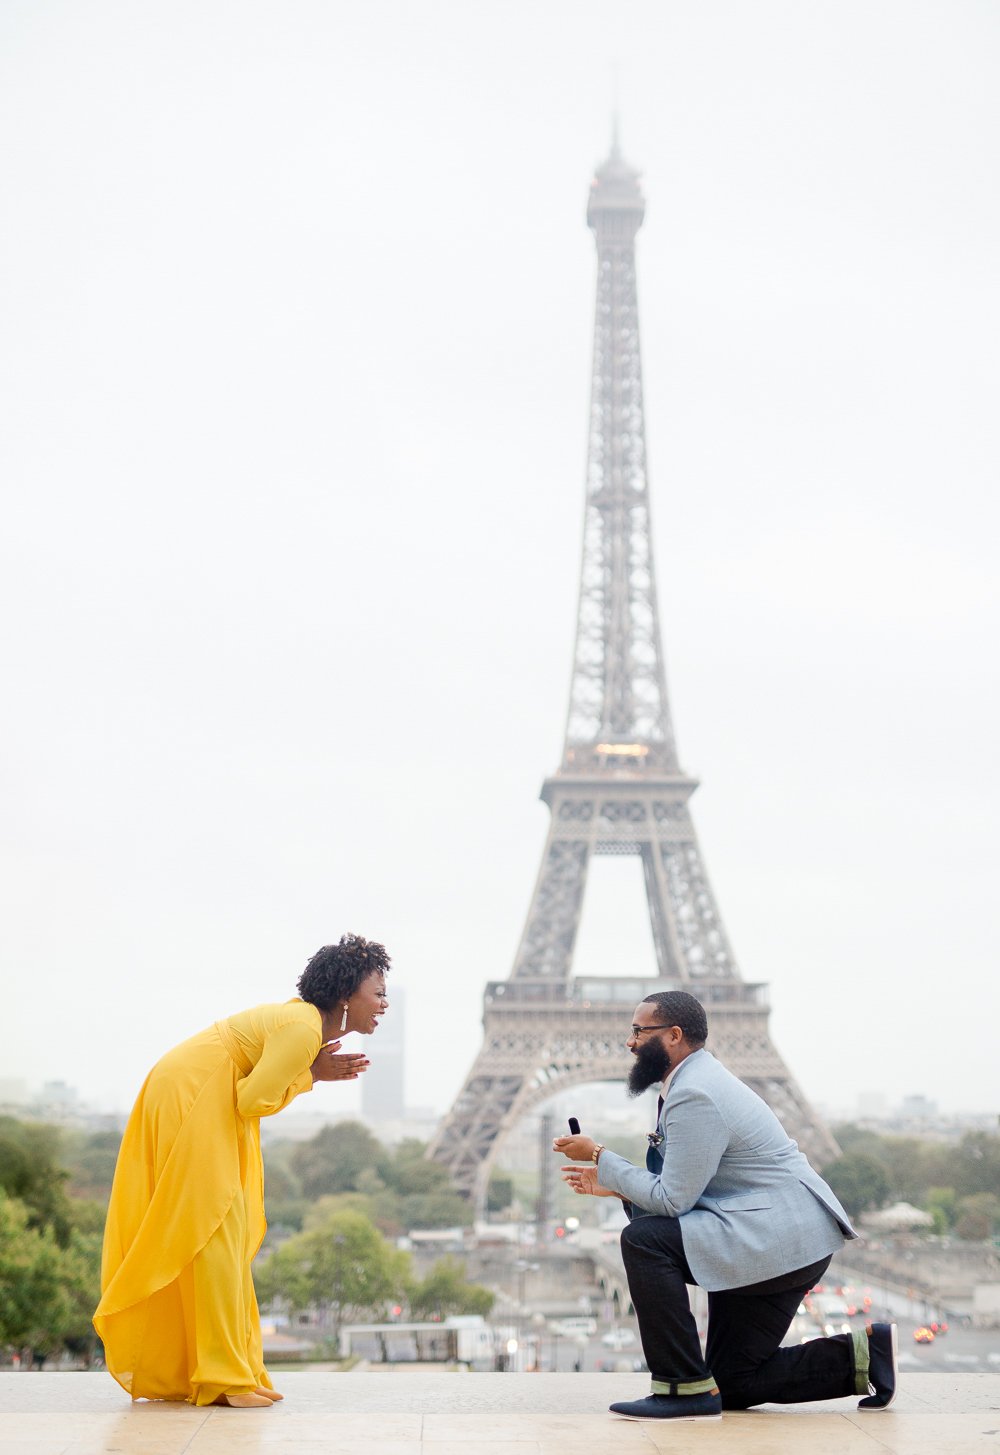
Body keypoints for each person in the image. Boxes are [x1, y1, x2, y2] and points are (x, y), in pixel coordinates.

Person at [553, 990, 898, 1422]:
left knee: (643, 1242)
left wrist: (601, 1156)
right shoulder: (696, 1081)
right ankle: (865, 1355)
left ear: (675, 1035)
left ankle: (680, 1388)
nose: (630, 1042)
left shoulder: (696, 1093)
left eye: (640, 1030)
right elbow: (683, 1188)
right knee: (732, 1381)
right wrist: (618, 1187)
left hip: (774, 1239)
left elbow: (673, 1200)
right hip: (781, 1237)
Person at [94, 933, 391, 1408]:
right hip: (193, 1098)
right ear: (344, 995)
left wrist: (309, 1073)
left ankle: (229, 1372)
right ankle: (221, 1380)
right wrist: (312, 1076)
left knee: (220, 1237)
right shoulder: (302, 1028)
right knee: (212, 1233)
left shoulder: (305, 1023)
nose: (384, 1004)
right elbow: (252, 1099)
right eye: (377, 993)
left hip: (199, 1094)